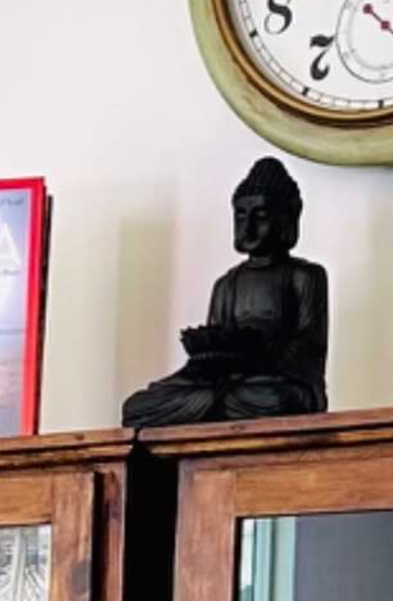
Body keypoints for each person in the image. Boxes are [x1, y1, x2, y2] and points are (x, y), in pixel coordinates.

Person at [122, 154, 330, 423]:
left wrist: (258, 354)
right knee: (139, 406)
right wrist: (206, 353)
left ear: (288, 216)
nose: (248, 227)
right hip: (228, 383)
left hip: (272, 383)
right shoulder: (227, 284)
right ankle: (212, 404)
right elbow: (216, 350)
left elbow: (309, 349)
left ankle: (213, 405)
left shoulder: (305, 277)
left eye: (261, 216)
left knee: (277, 400)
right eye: (241, 215)